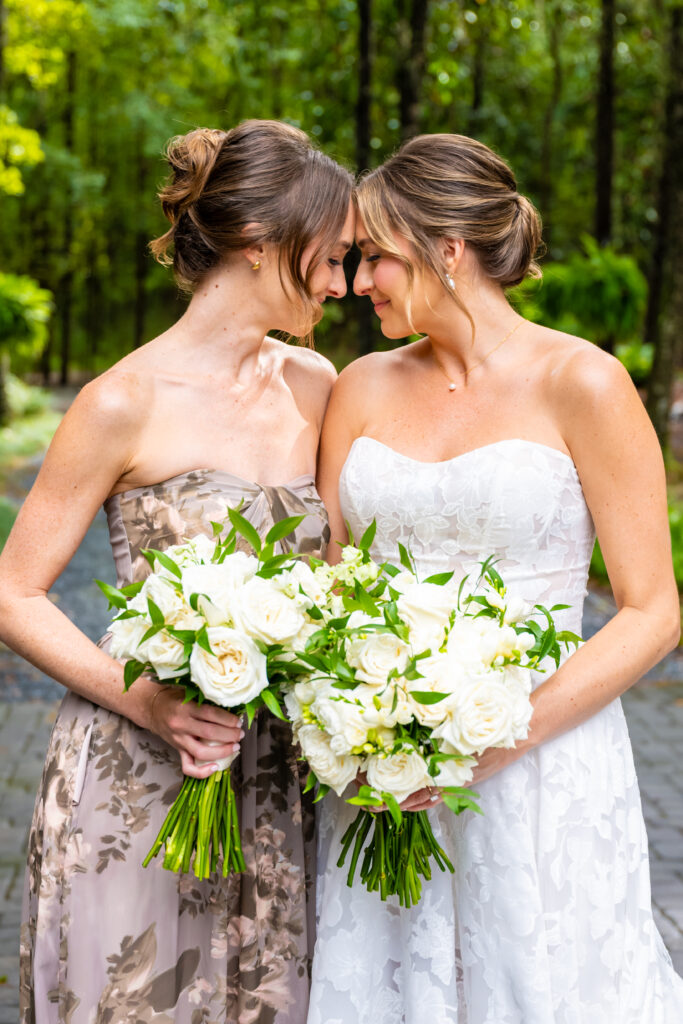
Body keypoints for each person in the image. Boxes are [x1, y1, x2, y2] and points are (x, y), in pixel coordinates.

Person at [309, 133, 683, 1023]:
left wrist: (494, 740)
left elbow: (650, 610)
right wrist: (355, 714)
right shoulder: (356, 387)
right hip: (382, 770)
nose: (359, 281)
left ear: (446, 249)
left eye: (375, 256)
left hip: (541, 760)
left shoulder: (582, 383)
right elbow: (330, 573)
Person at [0, 119, 354, 1024]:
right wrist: (149, 703)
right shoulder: (122, 400)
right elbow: (13, 590)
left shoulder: (317, 386)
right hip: (144, 764)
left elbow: (345, 575)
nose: (340, 281)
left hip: (278, 777)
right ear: (258, 241)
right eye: (330, 254)